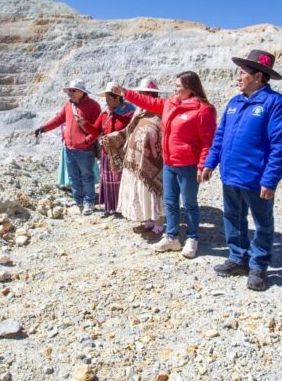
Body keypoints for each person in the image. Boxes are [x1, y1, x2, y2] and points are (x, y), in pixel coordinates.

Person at [201, 50, 282, 291]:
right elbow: (220, 136)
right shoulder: (235, 102)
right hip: (230, 174)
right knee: (232, 218)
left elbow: (281, 145)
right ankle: (238, 258)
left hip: (256, 178)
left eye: (243, 72)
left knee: (262, 222)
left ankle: (259, 266)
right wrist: (210, 163)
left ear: (259, 77)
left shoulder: (276, 104)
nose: (238, 77)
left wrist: (271, 179)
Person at [111, 71, 217, 259]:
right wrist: (125, 93)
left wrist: (203, 166)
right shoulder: (170, 103)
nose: (174, 89)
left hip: (188, 165)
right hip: (169, 163)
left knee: (190, 203)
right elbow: (148, 102)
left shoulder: (203, 109)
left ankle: (192, 238)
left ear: (190, 88)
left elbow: (208, 141)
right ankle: (172, 237)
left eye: (178, 86)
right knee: (170, 202)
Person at [102, 78, 165, 235]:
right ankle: (148, 220)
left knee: (155, 191)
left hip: (155, 161)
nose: (141, 96)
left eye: (144, 93)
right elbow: (129, 130)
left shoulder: (161, 113)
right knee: (143, 191)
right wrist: (113, 137)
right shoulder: (139, 111)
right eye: (141, 93)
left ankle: (159, 224)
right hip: (137, 161)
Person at [34, 79, 101, 214]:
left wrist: (87, 141)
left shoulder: (93, 106)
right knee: (73, 176)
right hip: (69, 148)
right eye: (69, 90)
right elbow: (58, 119)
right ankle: (79, 201)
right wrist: (43, 128)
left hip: (84, 149)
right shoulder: (68, 105)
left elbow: (98, 129)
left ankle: (89, 201)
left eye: (73, 90)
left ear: (82, 92)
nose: (70, 93)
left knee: (86, 176)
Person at [79, 82, 135, 217]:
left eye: (109, 99)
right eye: (106, 99)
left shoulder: (130, 113)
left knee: (123, 180)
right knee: (110, 180)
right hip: (107, 153)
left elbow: (133, 131)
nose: (107, 102)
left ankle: (125, 206)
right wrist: (85, 124)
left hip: (123, 153)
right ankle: (113, 206)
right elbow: (97, 131)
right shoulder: (106, 114)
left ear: (118, 98)